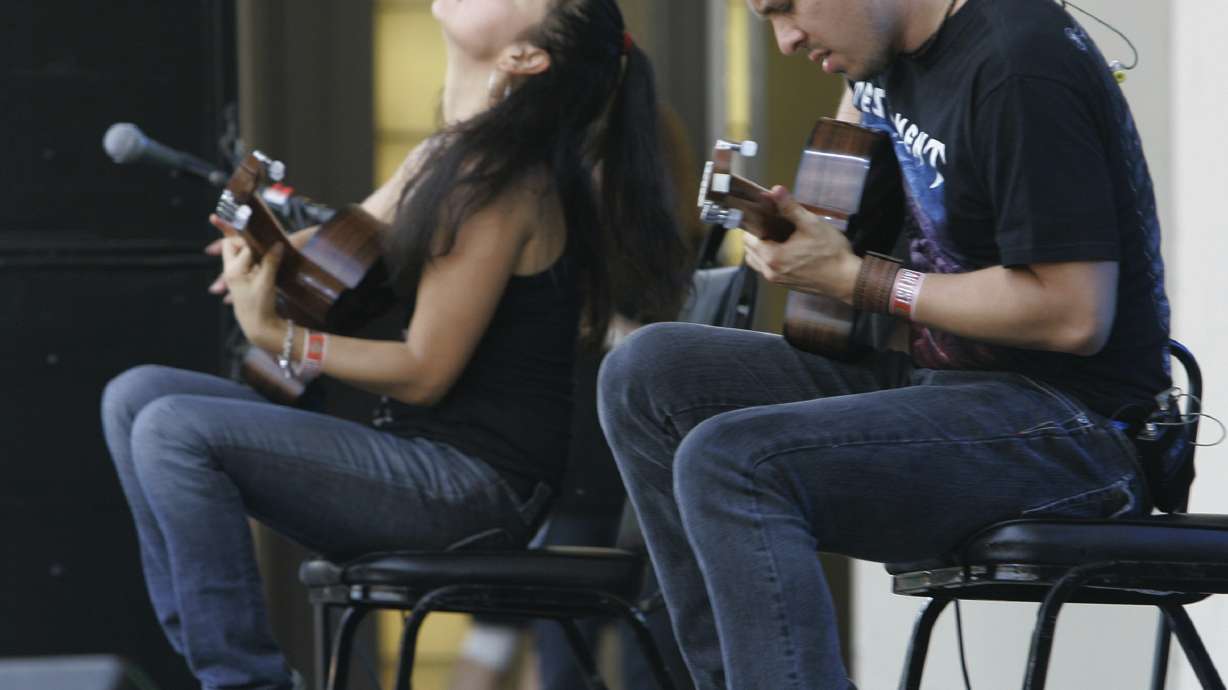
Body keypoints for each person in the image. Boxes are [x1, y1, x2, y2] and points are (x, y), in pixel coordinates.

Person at [99, 0, 689, 687]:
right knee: (134, 398)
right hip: (416, 459)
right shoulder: (445, 154)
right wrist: (270, 253)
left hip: (474, 492)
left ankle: (246, 682)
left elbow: (424, 371)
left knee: (174, 428)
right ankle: (217, 666)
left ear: (524, 57)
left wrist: (277, 335)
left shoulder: (502, 181)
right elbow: (347, 250)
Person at [597, 0, 1171, 687]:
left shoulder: (1019, 63)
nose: (785, 41)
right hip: (938, 387)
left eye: (787, 8)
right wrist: (802, 233)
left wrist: (857, 279)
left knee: (733, 460)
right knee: (645, 373)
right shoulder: (879, 55)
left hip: (1073, 429)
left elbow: (1073, 314)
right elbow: (843, 210)